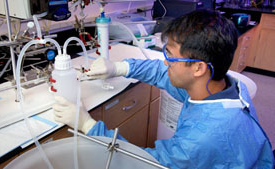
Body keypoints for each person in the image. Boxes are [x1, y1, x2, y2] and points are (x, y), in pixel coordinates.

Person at [52, 9, 275, 168]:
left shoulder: (200, 139)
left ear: (198, 68)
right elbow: (161, 72)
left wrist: (88, 125)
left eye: (169, 54)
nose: (164, 61)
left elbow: (143, 163)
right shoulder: (223, 87)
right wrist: (120, 67)